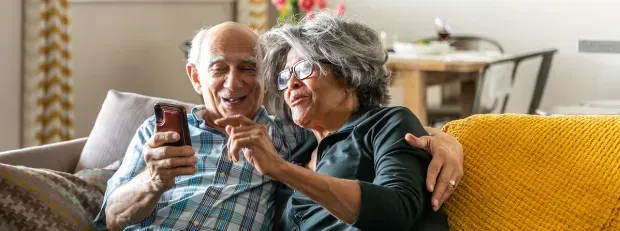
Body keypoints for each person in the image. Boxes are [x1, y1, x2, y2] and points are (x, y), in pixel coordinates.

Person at [94, 20, 463, 231]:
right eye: (219, 68)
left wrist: (447, 139)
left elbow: (371, 139)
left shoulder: (282, 141)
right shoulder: (155, 133)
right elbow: (109, 217)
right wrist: (153, 181)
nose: (233, 83)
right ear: (195, 76)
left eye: (249, 68)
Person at [216, 12, 453, 230]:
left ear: (348, 74)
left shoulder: (387, 124)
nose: (291, 84)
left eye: (304, 68)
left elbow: (397, 212)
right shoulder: (297, 148)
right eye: (286, 76)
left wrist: (282, 170)